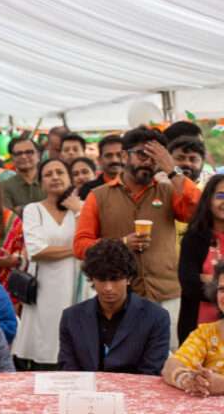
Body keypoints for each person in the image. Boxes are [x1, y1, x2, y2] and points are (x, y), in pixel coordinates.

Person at [74, 127, 200, 350]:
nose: (148, 162)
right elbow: (80, 246)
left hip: (167, 293)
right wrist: (121, 244)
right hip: (120, 298)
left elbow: (198, 210)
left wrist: (172, 170)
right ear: (124, 156)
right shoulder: (98, 196)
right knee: (125, 361)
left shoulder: (168, 191)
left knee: (169, 360)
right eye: (142, 154)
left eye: (155, 157)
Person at [59, 239, 170, 375]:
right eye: (102, 279)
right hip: (84, 393)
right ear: (92, 279)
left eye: (115, 279)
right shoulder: (71, 317)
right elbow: (68, 371)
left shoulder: (156, 317)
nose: (108, 288)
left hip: (134, 392)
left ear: (128, 278)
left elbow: (150, 373)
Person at [14, 158, 82, 370]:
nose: (55, 177)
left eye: (60, 172)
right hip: (46, 285)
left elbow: (92, 240)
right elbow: (37, 251)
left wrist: (79, 209)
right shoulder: (33, 210)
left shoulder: (82, 208)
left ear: (69, 177)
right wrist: (77, 250)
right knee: (47, 339)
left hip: (78, 282)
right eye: (48, 174)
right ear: (41, 183)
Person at [162, 262, 224, 396]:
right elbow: (170, 366)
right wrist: (187, 380)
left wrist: (222, 385)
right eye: (222, 289)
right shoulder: (206, 333)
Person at [178, 175, 224, 343]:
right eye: (220, 195)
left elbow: (197, 282)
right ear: (208, 199)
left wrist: (208, 280)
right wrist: (219, 287)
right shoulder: (194, 238)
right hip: (197, 328)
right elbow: (189, 284)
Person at [2, 136, 45, 212]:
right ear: (12, 159)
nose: (24, 156)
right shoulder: (5, 186)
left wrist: (20, 209)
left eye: (29, 152)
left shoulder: (50, 181)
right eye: (18, 153)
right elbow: (8, 216)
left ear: (38, 155)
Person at [78, 134, 125, 200]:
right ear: (99, 160)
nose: (115, 160)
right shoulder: (89, 190)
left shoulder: (138, 186)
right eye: (108, 155)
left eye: (119, 155)